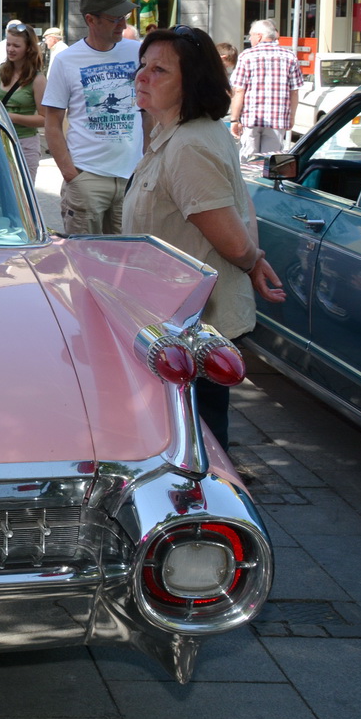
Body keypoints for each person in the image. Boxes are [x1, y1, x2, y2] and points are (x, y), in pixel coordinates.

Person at [126, 26, 285, 447]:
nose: (142, 76)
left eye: (159, 70)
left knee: (197, 442)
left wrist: (250, 259)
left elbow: (231, 236)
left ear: (191, 83)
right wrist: (252, 258)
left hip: (192, 331)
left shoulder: (189, 145)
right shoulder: (182, 132)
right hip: (180, 322)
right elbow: (240, 206)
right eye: (143, 65)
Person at [41, 0, 142, 235]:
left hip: (132, 176)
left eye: (124, 17)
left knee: (127, 256)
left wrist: (148, 162)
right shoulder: (66, 60)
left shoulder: (138, 52)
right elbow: (52, 123)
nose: (122, 25)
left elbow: (151, 109)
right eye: (114, 18)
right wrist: (71, 175)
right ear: (90, 20)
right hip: (87, 176)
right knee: (84, 255)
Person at [228, 20, 303, 157]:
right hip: (278, 118)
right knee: (270, 160)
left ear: (259, 36)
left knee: (248, 159)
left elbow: (239, 90)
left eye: (251, 35)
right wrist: (291, 116)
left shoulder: (246, 56)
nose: (249, 39)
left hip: (251, 118)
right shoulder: (290, 56)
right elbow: (294, 91)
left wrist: (234, 119)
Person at [0, 21, 47, 175]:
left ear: (28, 48)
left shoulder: (38, 79)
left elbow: (44, 119)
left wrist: (12, 117)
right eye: (8, 44)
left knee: (22, 187)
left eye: (16, 46)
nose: (10, 49)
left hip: (24, 143)